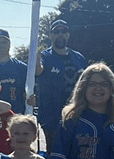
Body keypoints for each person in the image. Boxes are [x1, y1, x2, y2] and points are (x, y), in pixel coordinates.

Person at [35, 20, 88, 148]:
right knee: (54, 154)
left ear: (68, 35)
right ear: (51, 36)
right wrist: (34, 57)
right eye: (56, 32)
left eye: (63, 31)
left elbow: (88, 82)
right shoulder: (45, 56)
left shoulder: (79, 58)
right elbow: (37, 71)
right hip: (52, 118)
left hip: (77, 115)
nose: (60, 34)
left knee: (77, 151)